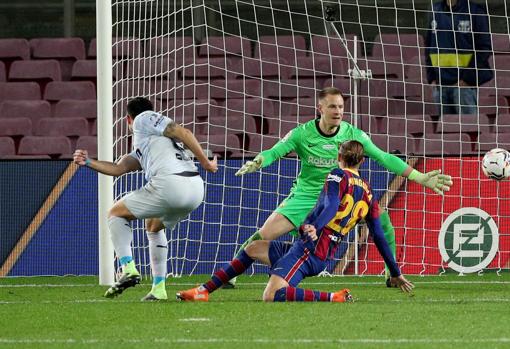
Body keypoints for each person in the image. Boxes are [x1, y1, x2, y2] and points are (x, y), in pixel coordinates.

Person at [226, 87, 452, 288]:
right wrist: (259, 161)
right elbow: (274, 152)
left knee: (383, 223)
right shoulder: (301, 134)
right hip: (306, 194)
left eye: (341, 106)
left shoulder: (352, 134)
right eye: (332, 106)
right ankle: (230, 274)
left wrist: (420, 177)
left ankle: (391, 274)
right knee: (264, 234)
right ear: (320, 108)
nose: (338, 111)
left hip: (342, 194)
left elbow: (383, 157)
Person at [176, 140, 415, 302]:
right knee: (253, 248)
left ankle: (334, 297)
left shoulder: (336, 174)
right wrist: (395, 271)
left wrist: (315, 225)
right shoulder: (369, 193)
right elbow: (380, 237)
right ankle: (204, 291)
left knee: (272, 295)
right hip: (318, 252)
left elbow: (331, 205)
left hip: (310, 251)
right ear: (362, 161)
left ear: (338, 156)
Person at [73, 97, 217, 301]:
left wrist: (206, 163)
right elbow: (118, 169)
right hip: (195, 190)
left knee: (115, 213)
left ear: (128, 120)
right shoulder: (149, 145)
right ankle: (159, 289)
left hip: (171, 184)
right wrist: (88, 162)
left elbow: (184, 132)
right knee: (153, 226)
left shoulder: (143, 118)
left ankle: (128, 268)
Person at [425, 0, 493, 115]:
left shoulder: (475, 11)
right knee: (444, 131)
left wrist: (467, 79)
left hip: (464, 87)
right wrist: (431, 77)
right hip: (440, 86)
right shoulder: (435, 10)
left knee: (468, 128)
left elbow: (484, 49)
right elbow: (429, 46)